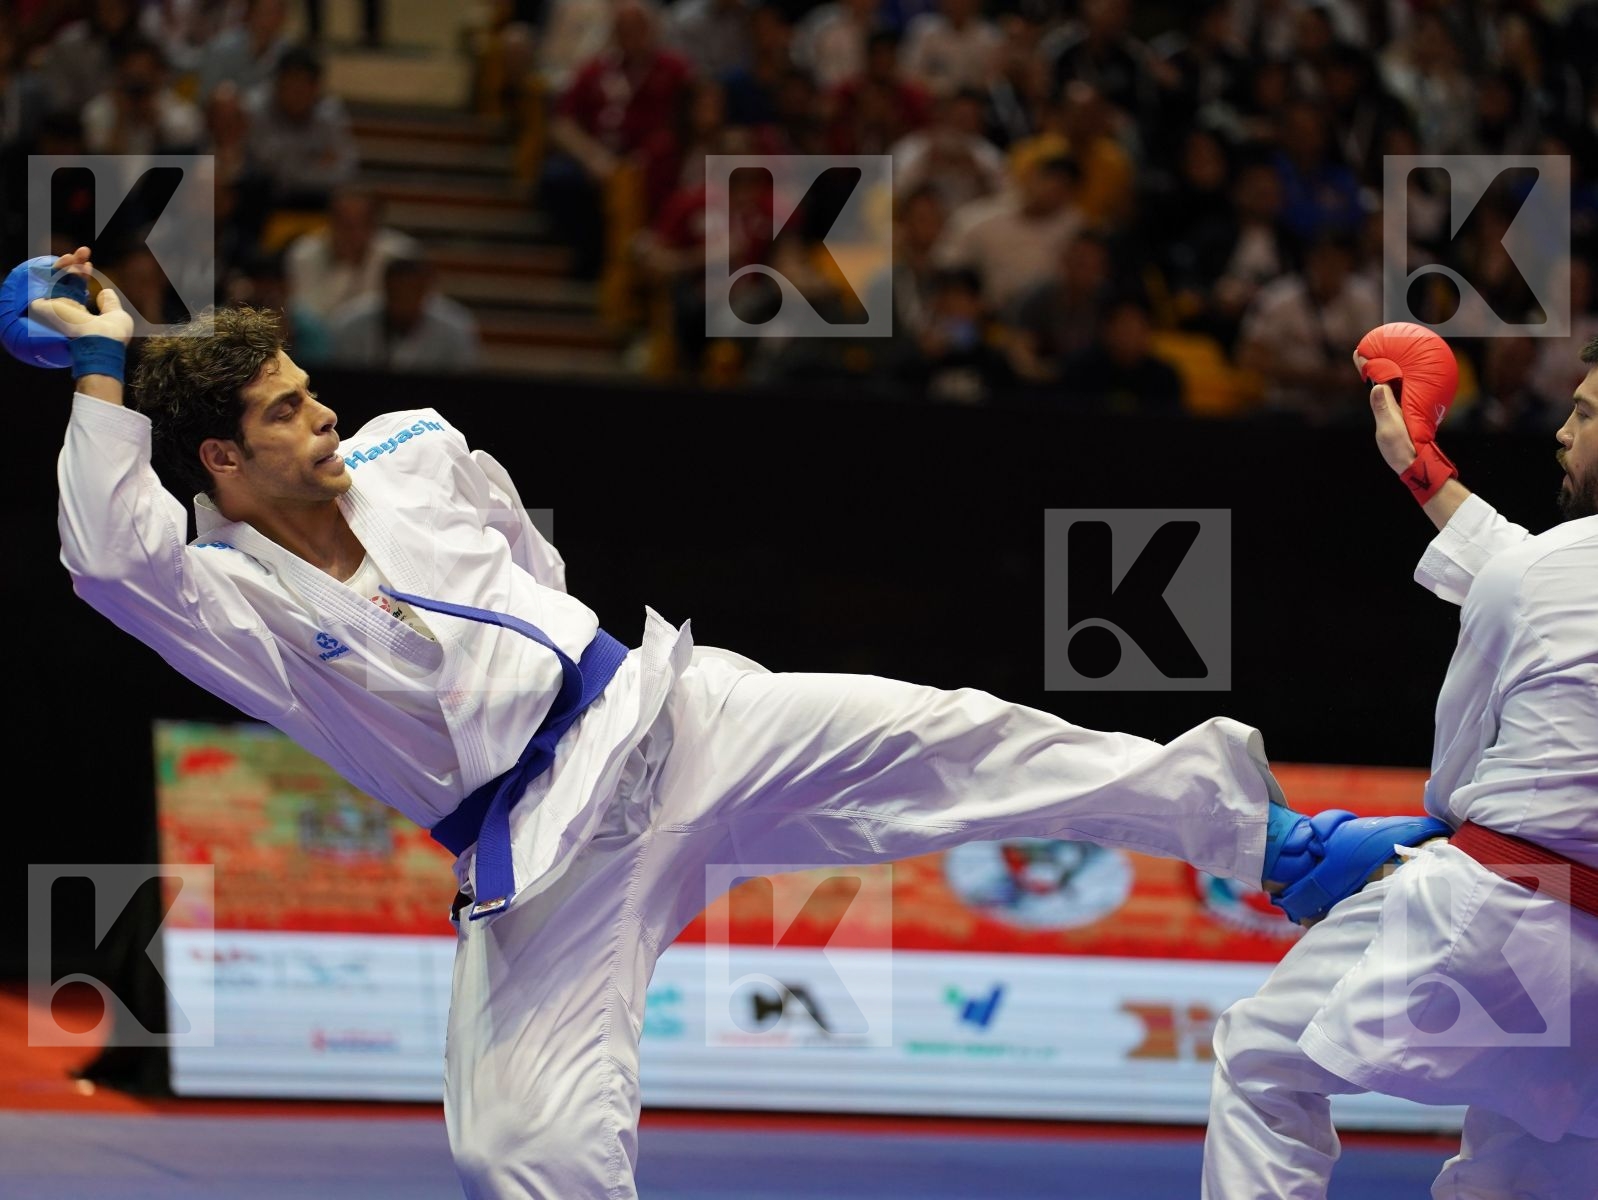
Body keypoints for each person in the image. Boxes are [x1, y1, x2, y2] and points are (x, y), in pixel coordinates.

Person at [10, 248, 1444, 1200]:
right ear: (221, 458)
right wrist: (105, 363)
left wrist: (575, 669)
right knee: (514, 1141)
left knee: (965, 737)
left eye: (310, 388)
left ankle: (1272, 840)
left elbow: (523, 545)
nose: (323, 413)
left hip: (672, 714)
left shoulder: (411, 446)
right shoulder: (221, 599)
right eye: (285, 409)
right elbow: (104, 554)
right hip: (545, 851)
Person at [1203, 324, 1598, 1198]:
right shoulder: (1541, 570)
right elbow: (1542, 579)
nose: (1563, 432)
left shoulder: (1538, 572)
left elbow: (1459, 786)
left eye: (1584, 412)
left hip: (1497, 919)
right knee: (1528, 1174)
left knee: (1265, 1065)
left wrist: (1405, 848)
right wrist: (1418, 464)